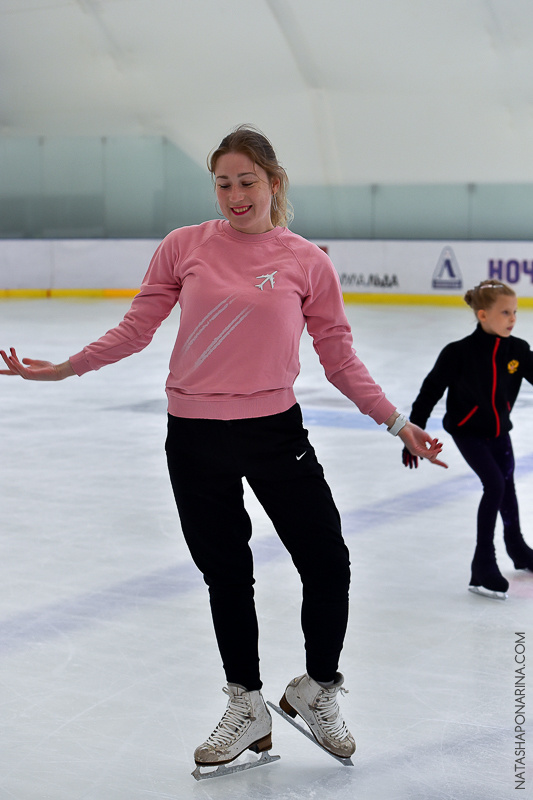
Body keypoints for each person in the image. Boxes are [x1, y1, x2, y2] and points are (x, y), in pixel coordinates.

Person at [1, 125, 445, 772]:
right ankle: (247, 705)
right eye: (222, 183)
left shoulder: (305, 262)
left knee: (326, 563)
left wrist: (394, 421)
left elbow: (339, 357)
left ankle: (316, 689)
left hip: (274, 433)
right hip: (195, 435)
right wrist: (65, 368)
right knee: (226, 575)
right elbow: (136, 328)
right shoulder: (184, 247)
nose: (234, 195)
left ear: (273, 182)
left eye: (246, 181)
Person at [403, 279, 533, 600]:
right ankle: (483, 565)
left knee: (507, 483)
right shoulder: (458, 353)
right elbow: (429, 391)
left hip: (500, 429)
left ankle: (517, 548)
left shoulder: (517, 350)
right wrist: (414, 431)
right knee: (496, 485)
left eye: (514, 312)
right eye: (505, 312)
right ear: (482, 315)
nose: (513, 318)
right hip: (466, 430)